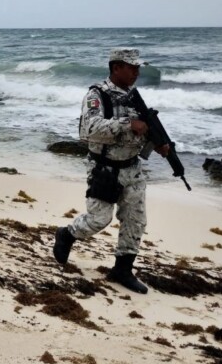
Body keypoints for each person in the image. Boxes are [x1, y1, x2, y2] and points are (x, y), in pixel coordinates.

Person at [53, 48, 169, 295]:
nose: (137, 72)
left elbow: (145, 127)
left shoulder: (133, 96)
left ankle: (122, 270)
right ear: (116, 67)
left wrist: (158, 142)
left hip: (133, 168)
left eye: (138, 67)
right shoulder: (97, 95)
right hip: (104, 169)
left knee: (135, 222)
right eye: (131, 67)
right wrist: (128, 124)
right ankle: (67, 234)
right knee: (99, 219)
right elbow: (89, 130)